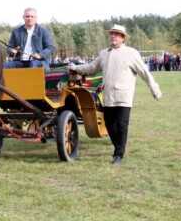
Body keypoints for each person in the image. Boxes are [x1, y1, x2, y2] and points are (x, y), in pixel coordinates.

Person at [68, 24, 162, 165]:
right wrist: (76, 68)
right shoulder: (104, 53)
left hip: (124, 96)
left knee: (121, 125)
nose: (113, 36)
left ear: (123, 38)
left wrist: (155, 88)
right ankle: (118, 149)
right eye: (111, 33)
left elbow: (144, 72)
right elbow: (91, 68)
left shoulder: (131, 53)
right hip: (108, 97)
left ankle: (118, 155)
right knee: (110, 126)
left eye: (116, 34)